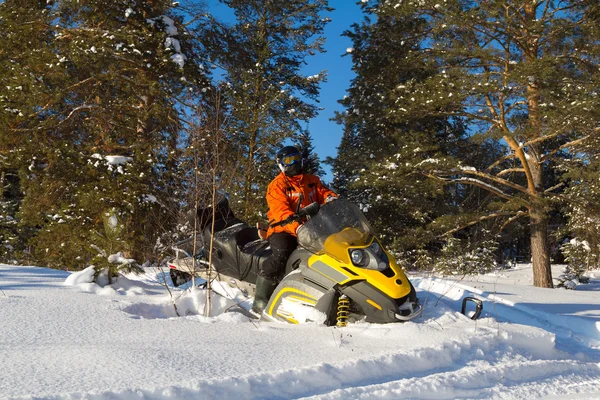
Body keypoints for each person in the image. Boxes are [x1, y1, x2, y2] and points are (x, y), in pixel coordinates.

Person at [251, 145, 337, 315]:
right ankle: (260, 300)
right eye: (289, 160)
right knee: (282, 253)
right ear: (281, 164)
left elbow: (323, 192)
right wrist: (297, 227)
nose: (294, 163)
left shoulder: (312, 180)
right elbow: (281, 212)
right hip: (283, 228)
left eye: (296, 158)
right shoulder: (277, 185)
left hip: (310, 227)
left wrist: (331, 199)